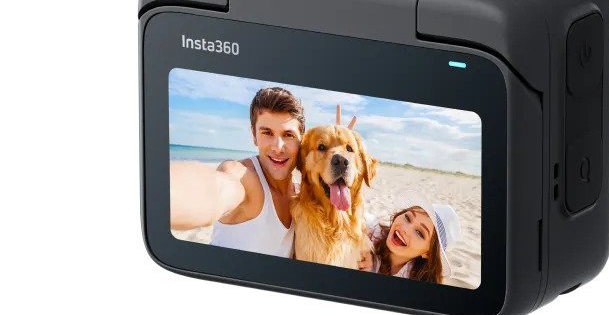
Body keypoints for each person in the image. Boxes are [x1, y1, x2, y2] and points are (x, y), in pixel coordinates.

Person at [169, 90, 355, 257]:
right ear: (254, 135)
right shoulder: (244, 179)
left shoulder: (302, 196)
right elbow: (215, 190)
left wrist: (333, 149)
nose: (278, 147)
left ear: (301, 139)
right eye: (267, 133)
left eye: (288, 135)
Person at [359, 190, 462, 284]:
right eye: (407, 217)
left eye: (419, 233)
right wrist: (362, 244)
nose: (405, 229)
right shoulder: (372, 231)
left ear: (428, 253)